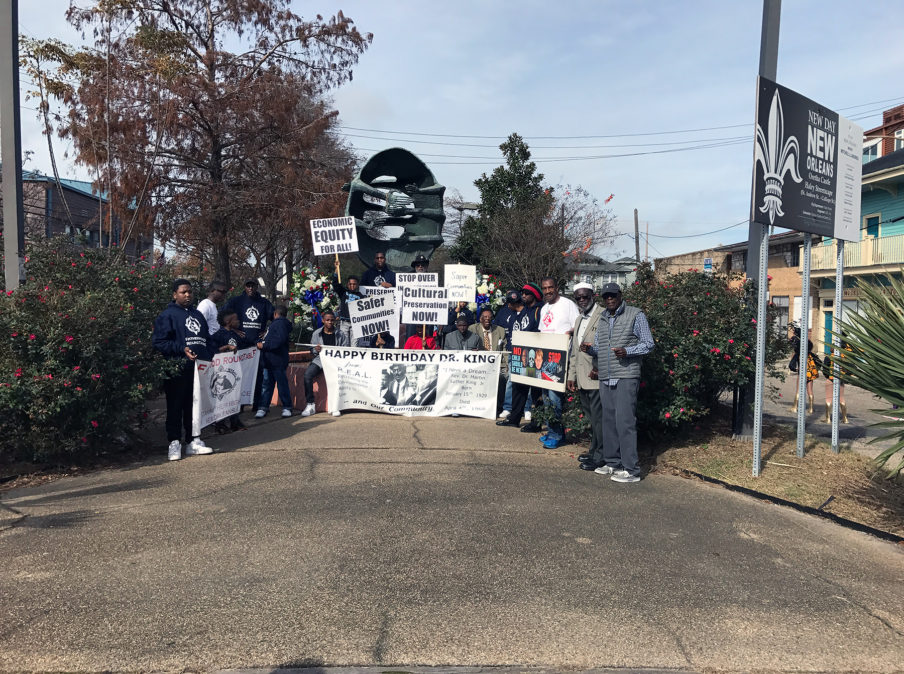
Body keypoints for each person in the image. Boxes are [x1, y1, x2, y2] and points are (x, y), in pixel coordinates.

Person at [587, 283, 654, 483]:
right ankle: (613, 463)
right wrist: (590, 349)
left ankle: (632, 470)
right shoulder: (603, 317)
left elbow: (648, 343)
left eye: (613, 295)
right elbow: (600, 347)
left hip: (626, 374)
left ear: (620, 295)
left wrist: (628, 351)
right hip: (607, 375)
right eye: (606, 296)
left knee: (624, 421)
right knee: (608, 422)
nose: (609, 299)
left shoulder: (635, 314)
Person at [152, 278, 214, 461]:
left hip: (199, 369)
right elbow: (159, 342)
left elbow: (206, 340)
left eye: (190, 292)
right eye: (183, 292)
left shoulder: (198, 315)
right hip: (177, 369)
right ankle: (174, 443)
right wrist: (181, 349)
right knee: (175, 406)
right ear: (174, 295)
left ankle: (193, 441)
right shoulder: (167, 315)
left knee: (194, 406)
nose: (187, 295)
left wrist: (210, 355)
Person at [534, 277, 580, 449]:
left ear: (557, 288)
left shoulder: (568, 304)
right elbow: (542, 332)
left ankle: (557, 435)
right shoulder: (544, 308)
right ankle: (554, 432)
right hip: (545, 359)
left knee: (554, 397)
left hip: (561, 358)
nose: (548, 291)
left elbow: (579, 325)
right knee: (546, 397)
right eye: (545, 288)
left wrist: (569, 332)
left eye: (550, 287)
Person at [567, 283, 605, 471]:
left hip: (596, 376)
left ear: (593, 295)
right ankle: (593, 450)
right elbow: (575, 350)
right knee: (592, 418)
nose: (582, 300)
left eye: (585, 296)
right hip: (582, 378)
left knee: (599, 420)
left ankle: (601, 456)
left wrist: (598, 367)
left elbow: (608, 345)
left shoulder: (604, 315)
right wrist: (571, 375)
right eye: (578, 298)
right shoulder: (579, 319)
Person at [496, 284, 543, 432]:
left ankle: (536, 422)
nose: (523, 296)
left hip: (534, 354)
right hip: (519, 353)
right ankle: (514, 418)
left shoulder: (539, 311)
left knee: (536, 391)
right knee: (518, 387)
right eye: (522, 293)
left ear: (534, 295)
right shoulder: (524, 312)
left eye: (526, 293)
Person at [225, 279, 274, 410]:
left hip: (256, 346)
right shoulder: (236, 302)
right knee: (238, 375)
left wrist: (267, 331)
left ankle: (256, 404)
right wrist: (233, 329)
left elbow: (277, 317)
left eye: (253, 286)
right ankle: (239, 406)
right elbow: (222, 315)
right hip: (240, 345)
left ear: (257, 287)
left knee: (258, 376)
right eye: (248, 286)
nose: (251, 288)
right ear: (245, 287)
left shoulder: (264, 303)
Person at [302, 310, 349, 417]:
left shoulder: (340, 334)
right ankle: (310, 405)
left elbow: (345, 350)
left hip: (334, 362)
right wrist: (316, 350)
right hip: (320, 361)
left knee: (338, 380)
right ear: (323, 321)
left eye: (332, 320)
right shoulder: (316, 333)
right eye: (327, 320)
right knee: (307, 375)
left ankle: (336, 406)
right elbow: (312, 351)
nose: (330, 322)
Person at [210, 309, 251, 432]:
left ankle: (235, 422)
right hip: (221, 372)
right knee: (222, 398)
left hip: (234, 371)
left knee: (234, 396)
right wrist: (226, 347)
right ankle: (220, 424)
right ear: (228, 321)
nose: (238, 321)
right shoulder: (218, 335)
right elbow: (212, 351)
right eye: (236, 319)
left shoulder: (235, 334)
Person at [255, 305, 294, 420]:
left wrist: (264, 345)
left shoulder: (279, 324)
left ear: (275, 314)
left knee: (278, 385)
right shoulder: (275, 325)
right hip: (270, 361)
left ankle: (286, 407)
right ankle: (263, 407)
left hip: (277, 360)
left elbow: (279, 340)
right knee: (267, 384)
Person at [471, 306, 508, 413]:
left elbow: (504, 349)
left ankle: (499, 407)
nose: (487, 319)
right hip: (479, 364)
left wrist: (507, 365)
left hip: (497, 364)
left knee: (502, 378)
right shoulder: (473, 329)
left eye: (490, 317)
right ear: (480, 319)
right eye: (485, 317)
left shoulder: (500, 330)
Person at [332, 259, 364, 344]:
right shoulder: (343, 293)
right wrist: (336, 269)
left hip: (355, 323)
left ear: (357, 285)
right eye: (350, 284)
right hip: (344, 323)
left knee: (355, 345)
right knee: (344, 344)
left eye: (354, 284)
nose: (352, 286)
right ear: (347, 284)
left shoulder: (361, 296)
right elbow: (335, 284)